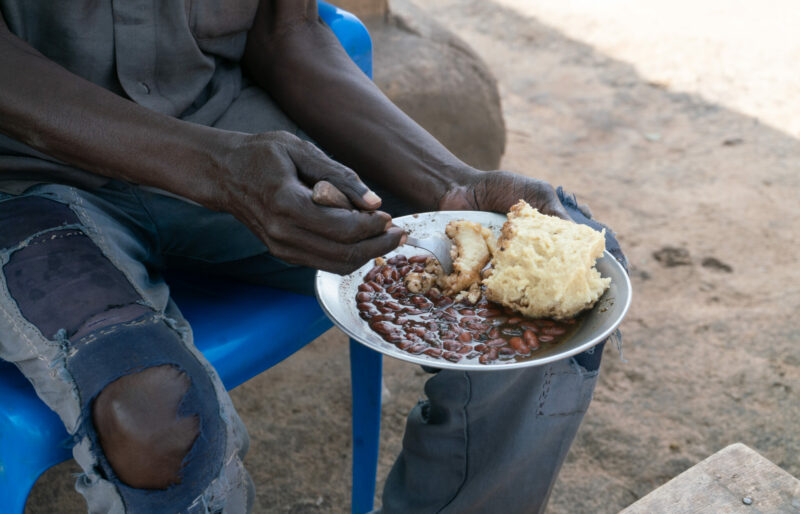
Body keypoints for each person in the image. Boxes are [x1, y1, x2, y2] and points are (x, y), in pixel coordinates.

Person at [0, 1, 624, 512]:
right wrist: (213, 169)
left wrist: (453, 185)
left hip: (234, 133)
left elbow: (288, 27)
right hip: (22, 182)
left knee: (565, 286)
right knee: (157, 420)